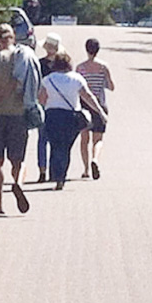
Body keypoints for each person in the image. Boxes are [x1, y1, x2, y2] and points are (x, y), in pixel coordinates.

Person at [0, 24, 33, 214]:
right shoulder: (23, 58)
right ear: (13, 38)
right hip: (19, 114)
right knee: (18, 160)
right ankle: (18, 183)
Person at [39, 51, 107, 190]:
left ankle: (56, 175)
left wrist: (49, 104)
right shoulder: (77, 79)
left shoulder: (48, 80)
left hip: (52, 115)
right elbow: (88, 96)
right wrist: (100, 111)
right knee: (66, 147)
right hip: (71, 117)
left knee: (55, 146)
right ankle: (61, 177)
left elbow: (41, 99)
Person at [77, 38, 114, 180]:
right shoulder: (103, 67)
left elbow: (78, 87)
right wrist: (103, 82)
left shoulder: (80, 68)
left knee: (84, 139)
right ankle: (95, 159)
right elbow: (111, 86)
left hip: (84, 105)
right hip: (99, 105)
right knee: (98, 139)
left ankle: (86, 169)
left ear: (86, 49)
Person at [36, 33, 62, 183]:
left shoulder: (40, 64)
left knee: (42, 139)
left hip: (43, 103)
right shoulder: (62, 64)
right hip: (58, 105)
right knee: (56, 140)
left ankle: (42, 170)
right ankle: (54, 170)